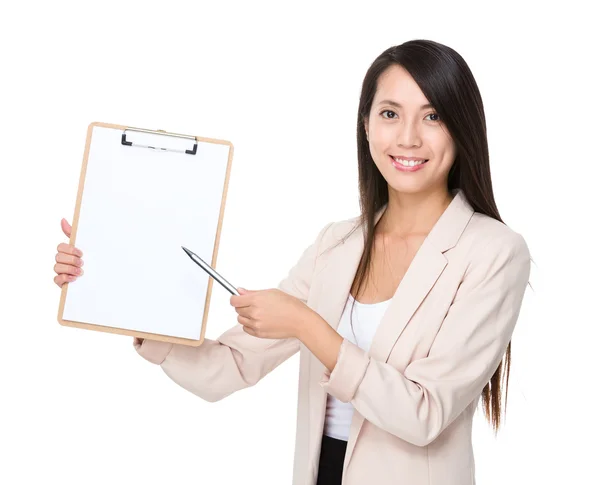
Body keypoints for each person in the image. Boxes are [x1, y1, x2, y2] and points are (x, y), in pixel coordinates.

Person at [53, 39, 531, 485]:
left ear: (461, 127)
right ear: (366, 125)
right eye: (390, 113)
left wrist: (306, 325)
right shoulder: (337, 243)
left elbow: (423, 414)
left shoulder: (494, 252)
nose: (407, 137)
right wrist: (118, 281)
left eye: (432, 117)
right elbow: (230, 367)